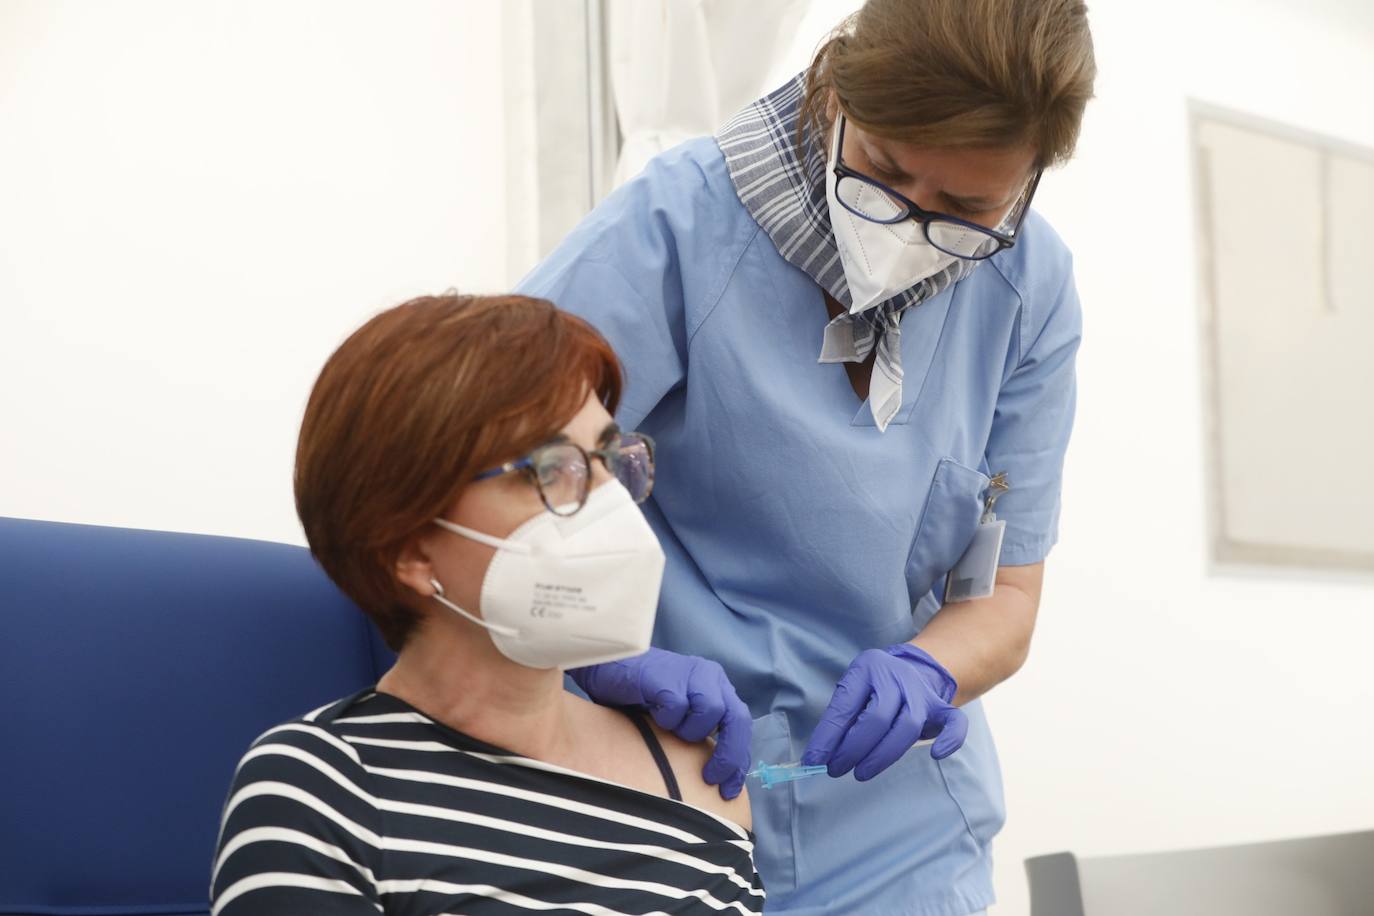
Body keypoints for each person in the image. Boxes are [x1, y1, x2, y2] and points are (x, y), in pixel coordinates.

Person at [515, 0, 1096, 912]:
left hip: (899, 831)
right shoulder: (681, 224)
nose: (913, 223)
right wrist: (587, 655)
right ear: (832, 95)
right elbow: (485, 465)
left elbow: (1006, 595)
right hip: (658, 782)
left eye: (967, 208)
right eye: (888, 172)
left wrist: (931, 668)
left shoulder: (1029, 288)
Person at [210, 294, 765, 914]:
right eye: (552, 468)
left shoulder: (694, 776)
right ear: (410, 548)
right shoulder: (321, 790)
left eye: (611, 459)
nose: (611, 503)